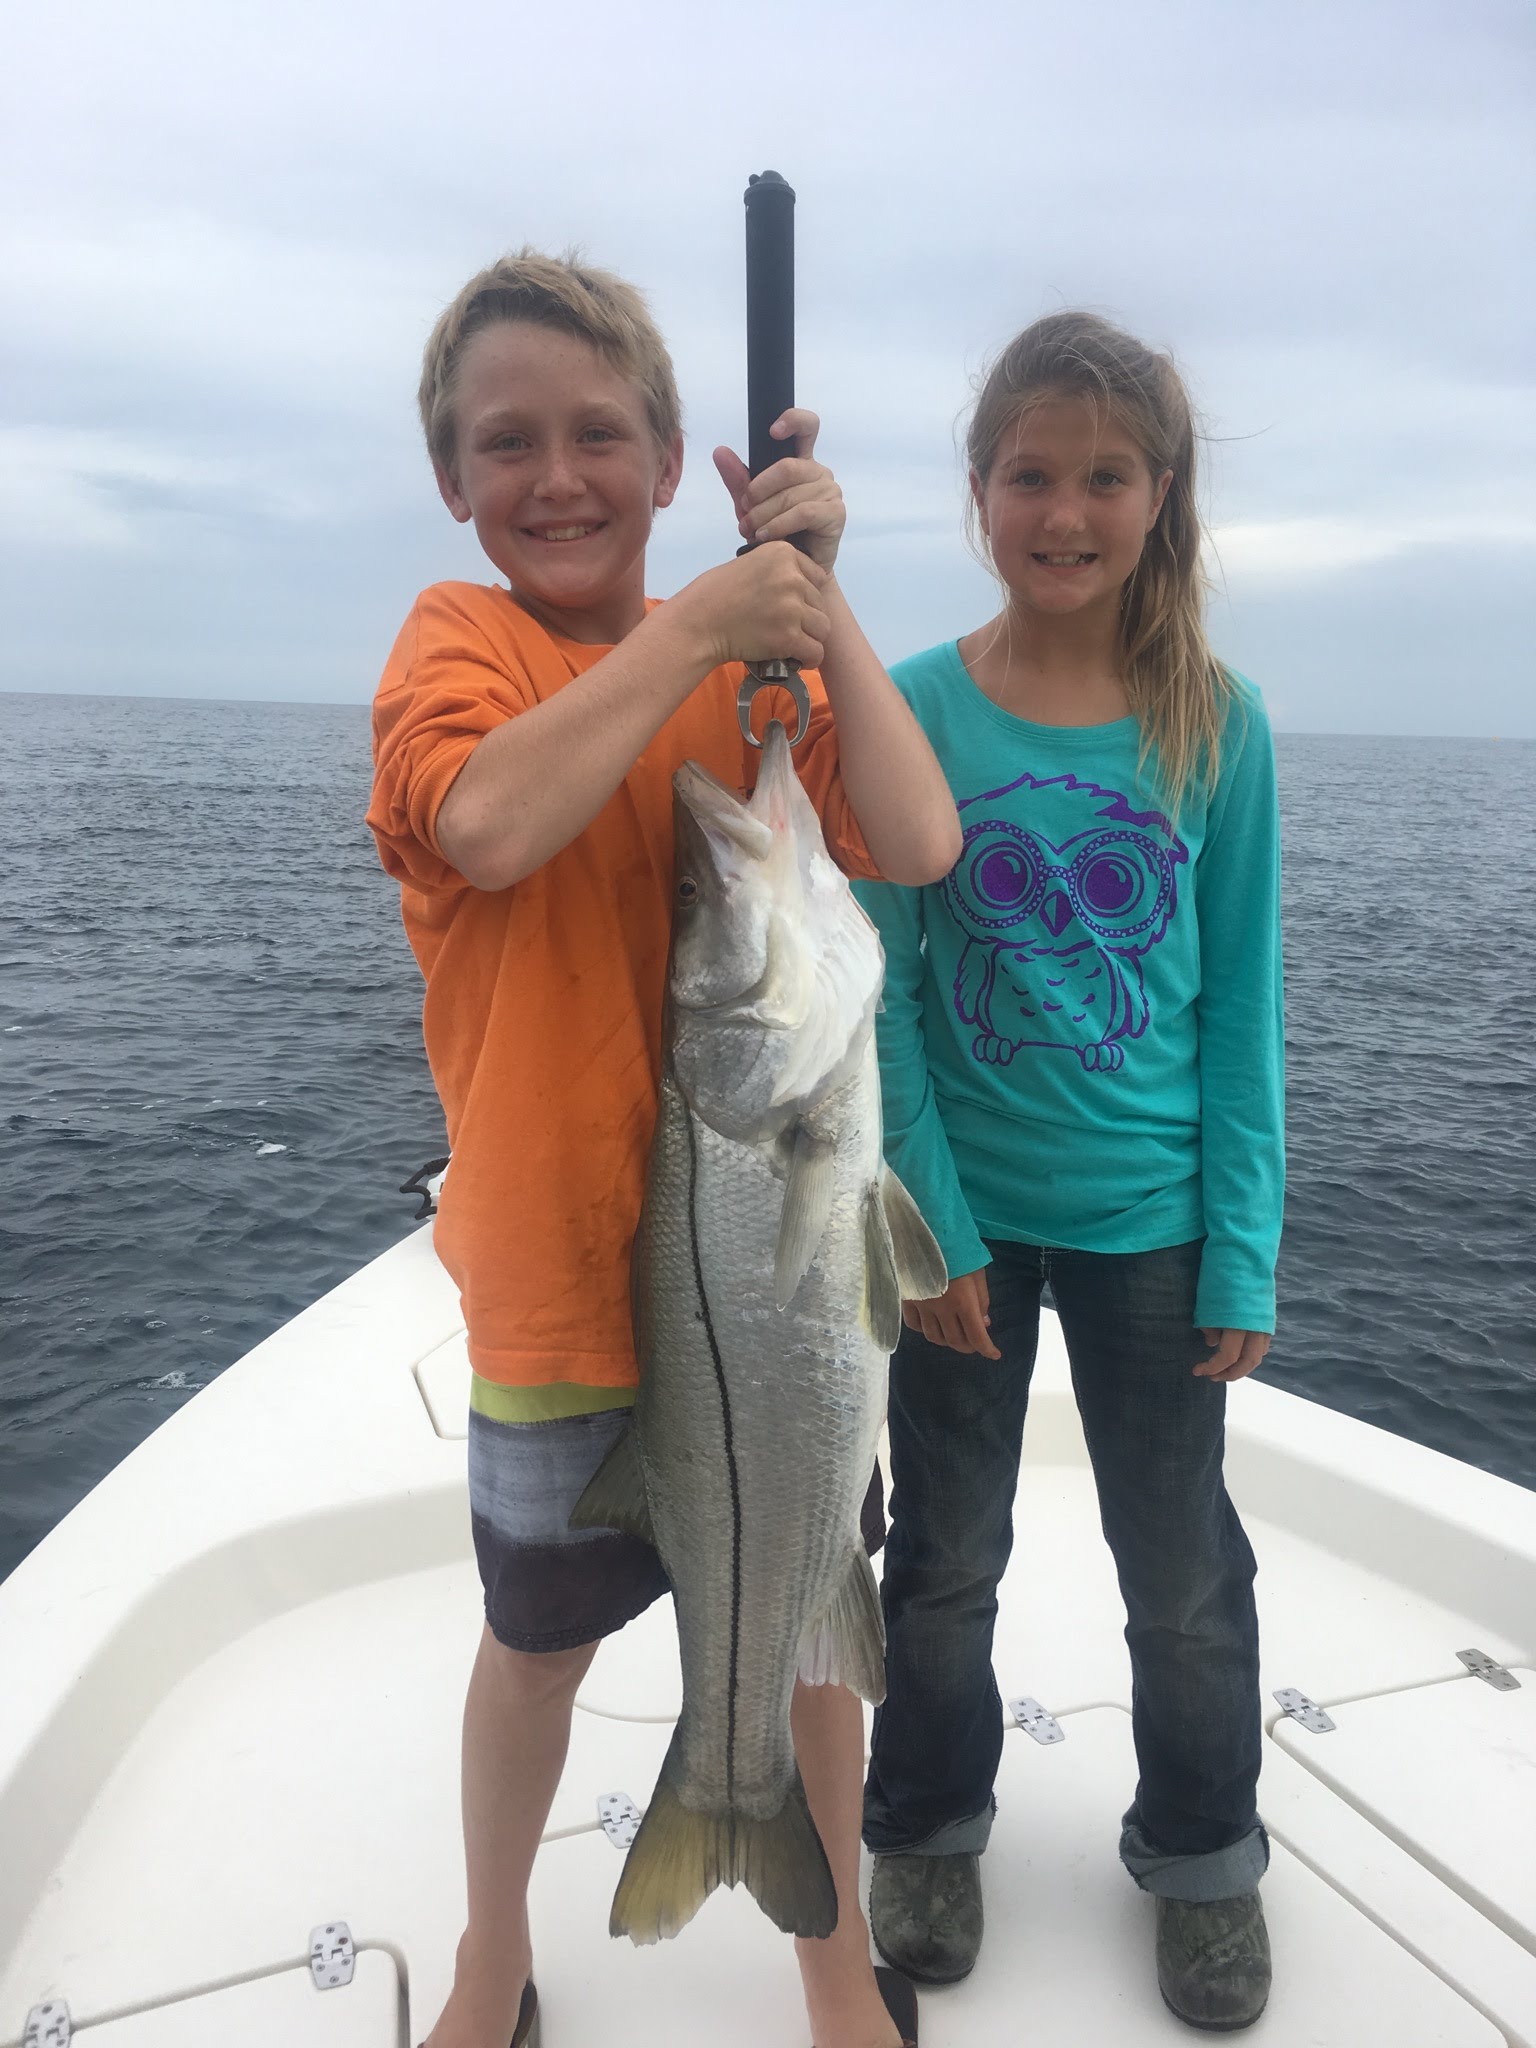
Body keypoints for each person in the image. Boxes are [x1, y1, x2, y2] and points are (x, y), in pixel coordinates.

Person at [367, 249, 960, 2048]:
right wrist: (709, 623)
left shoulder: (756, 673)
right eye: (509, 441)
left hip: (774, 1317)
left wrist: (818, 602)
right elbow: (482, 825)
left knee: (808, 1630)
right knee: (535, 1648)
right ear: (453, 480)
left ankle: (829, 1961)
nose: (559, 474)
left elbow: (920, 842)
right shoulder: (455, 649)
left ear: (673, 449)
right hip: (558, 1303)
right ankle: (490, 1955)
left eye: (601, 432)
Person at [855, 311, 1283, 2033]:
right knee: (944, 1555)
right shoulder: (913, 710)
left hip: (1156, 1231)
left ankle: (1202, 1856)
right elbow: (874, 997)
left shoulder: (1218, 724)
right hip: (958, 1227)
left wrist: (1243, 1249)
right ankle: (928, 1822)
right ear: (978, 493)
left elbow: (1243, 1010)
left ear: (1158, 494)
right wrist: (931, 1226)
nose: (1066, 506)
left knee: (1180, 1574)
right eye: (1031, 471)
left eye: (1106, 472)